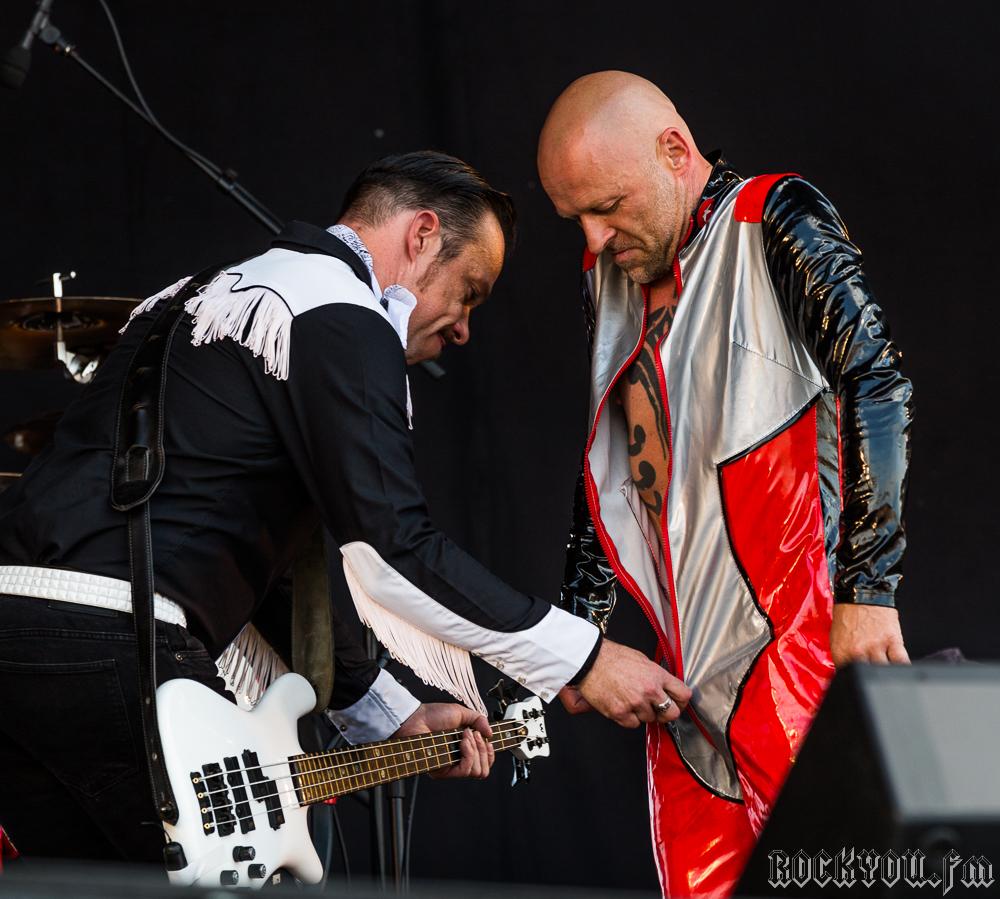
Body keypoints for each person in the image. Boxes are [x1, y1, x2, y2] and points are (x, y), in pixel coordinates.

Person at [0, 150, 686, 866]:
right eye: (470, 292)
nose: (463, 329)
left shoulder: (186, 300)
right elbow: (394, 552)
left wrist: (391, 712)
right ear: (421, 234)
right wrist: (584, 659)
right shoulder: (341, 313)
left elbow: (253, 558)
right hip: (115, 642)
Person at [538, 73, 913, 897]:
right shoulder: (609, 274)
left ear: (674, 151)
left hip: (796, 663)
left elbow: (876, 379)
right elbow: (613, 452)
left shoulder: (774, 215)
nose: (594, 237)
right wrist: (579, 626)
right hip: (685, 698)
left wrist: (869, 587)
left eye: (608, 206)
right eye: (576, 218)